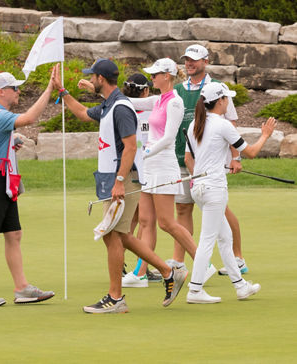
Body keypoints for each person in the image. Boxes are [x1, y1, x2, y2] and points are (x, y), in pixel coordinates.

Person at [53, 58, 186, 314]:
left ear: (101, 79)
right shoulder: (108, 105)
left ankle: (116, 298)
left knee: (111, 235)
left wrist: (120, 181)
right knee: (121, 235)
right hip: (110, 179)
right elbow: (82, 113)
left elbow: (131, 146)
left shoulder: (121, 107)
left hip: (122, 179)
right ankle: (169, 272)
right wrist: (63, 93)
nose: (90, 80)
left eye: (92, 77)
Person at [0, 71, 55, 307]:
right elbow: (29, 119)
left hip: (2, 182)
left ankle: (22, 288)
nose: (18, 91)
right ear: (1, 92)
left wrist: (6, 143)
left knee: (14, 234)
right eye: (14, 88)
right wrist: (48, 90)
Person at [185, 82, 276, 303]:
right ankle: (195, 290)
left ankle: (240, 286)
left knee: (224, 238)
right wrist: (265, 135)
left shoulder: (195, 124)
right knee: (208, 240)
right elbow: (252, 152)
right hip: (214, 188)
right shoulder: (222, 125)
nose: (229, 102)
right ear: (220, 101)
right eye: (227, 98)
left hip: (199, 187)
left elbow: (190, 159)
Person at [121, 58, 203, 288]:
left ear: (167, 75)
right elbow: (126, 101)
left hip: (164, 165)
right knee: (146, 220)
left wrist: (145, 151)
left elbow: (168, 138)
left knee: (167, 223)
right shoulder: (158, 100)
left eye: (155, 74)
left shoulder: (174, 102)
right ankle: (139, 274)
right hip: (151, 166)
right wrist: (100, 90)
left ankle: (202, 264)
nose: (152, 77)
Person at [172, 44, 248, 276]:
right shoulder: (177, 89)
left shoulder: (218, 89)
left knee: (220, 209)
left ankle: (238, 258)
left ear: (206, 61)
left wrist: (236, 157)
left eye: (194, 59)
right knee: (183, 208)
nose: (189, 63)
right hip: (182, 156)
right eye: (186, 59)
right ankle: (178, 261)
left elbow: (231, 123)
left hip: (212, 160)